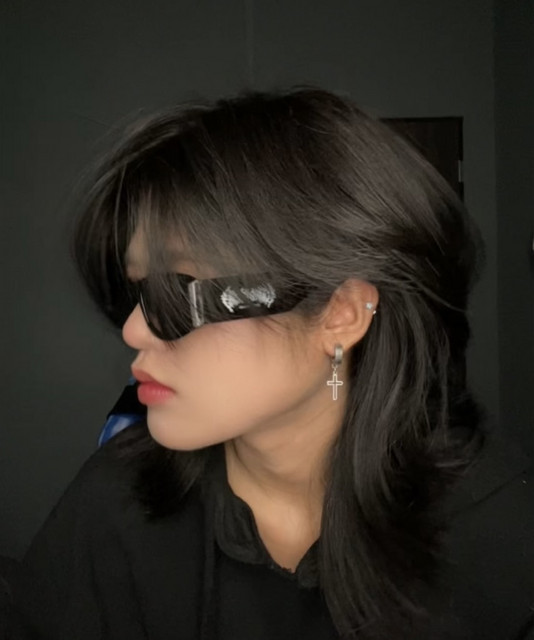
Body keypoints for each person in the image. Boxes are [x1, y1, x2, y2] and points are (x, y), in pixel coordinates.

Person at [11, 86, 486, 639]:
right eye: (138, 292)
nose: (134, 329)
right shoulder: (115, 500)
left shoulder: (496, 541)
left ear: (341, 315)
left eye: (177, 292)